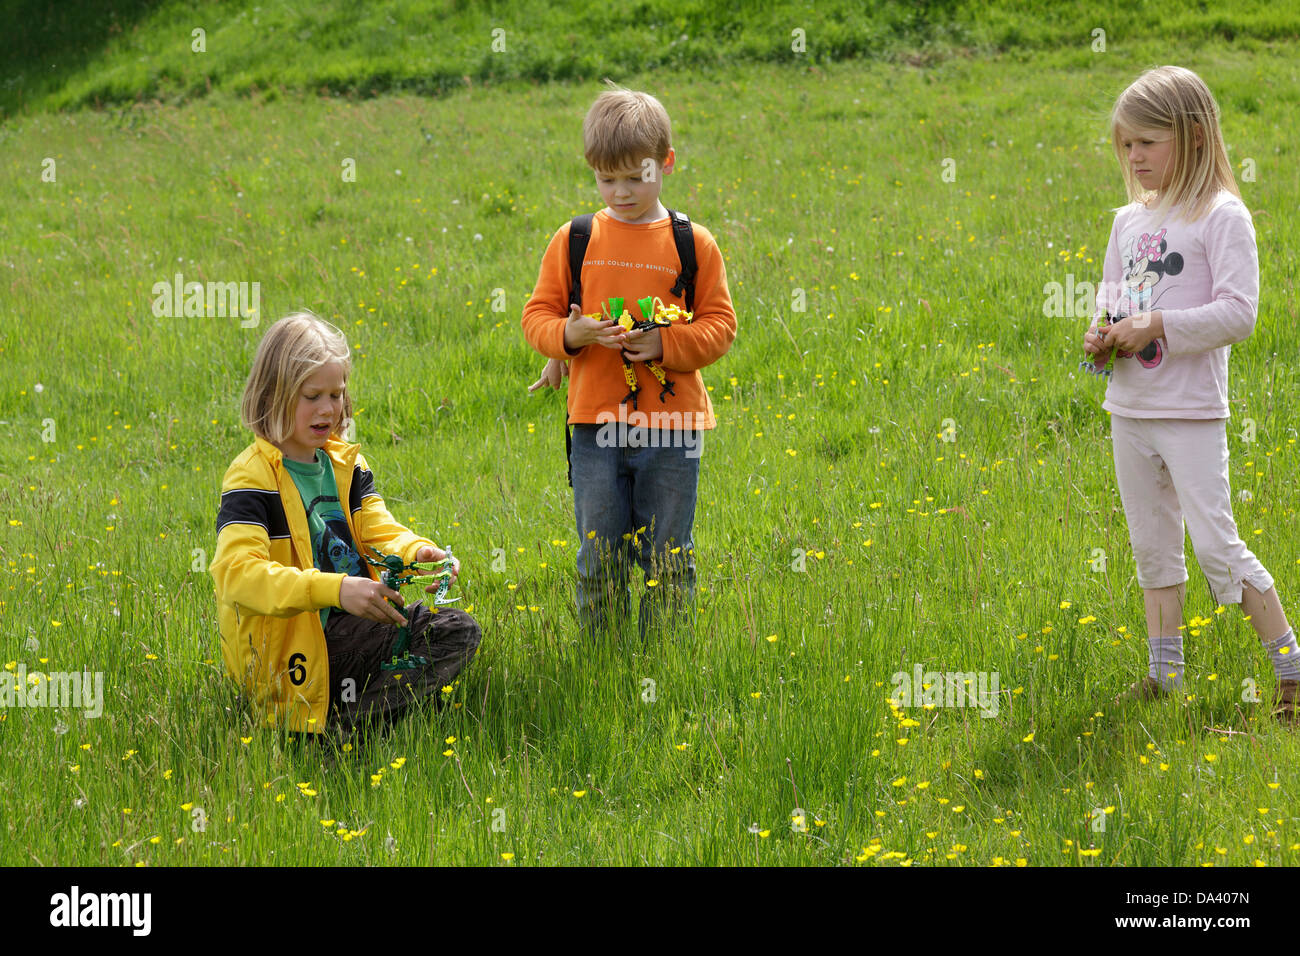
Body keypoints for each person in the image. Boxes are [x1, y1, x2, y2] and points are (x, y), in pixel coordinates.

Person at [1082, 66, 1296, 719]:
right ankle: (1165, 676)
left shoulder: (1222, 217)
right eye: (1126, 145)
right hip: (1131, 409)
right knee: (1151, 543)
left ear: (1196, 136)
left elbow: (1240, 314)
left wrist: (1158, 327)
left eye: (1148, 141)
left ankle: (1292, 673)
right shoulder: (1127, 221)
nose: (1134, 156)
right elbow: (1111, 300)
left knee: (1215, 546)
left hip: (1192, 413)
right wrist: (1101, 335)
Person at [522, 85, 737, 640]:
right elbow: (538, 317)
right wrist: (567, 337)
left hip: (673, 428)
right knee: (598, 555)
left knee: (669, 557)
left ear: (666, 163)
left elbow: (719, 328)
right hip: (595, 424)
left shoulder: (695, 243)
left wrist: (665, 345)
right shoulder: (576, 239)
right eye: (606, 178)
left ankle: (663, 660)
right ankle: (604, 663)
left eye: (635, 177)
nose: (620, 192)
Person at [210, 311, 480, 734]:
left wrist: (418, 552)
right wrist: (335, 589)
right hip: (292, 653)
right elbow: (237, 577)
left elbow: (378, 529)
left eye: (336, 394)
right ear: (272, 395)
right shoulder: (252, 477)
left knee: (456, 631)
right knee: (434, 638)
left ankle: (349, 717)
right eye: (311, 396)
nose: (328, 409)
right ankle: (341, 731)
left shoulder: (346, 466)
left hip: (356, 627)